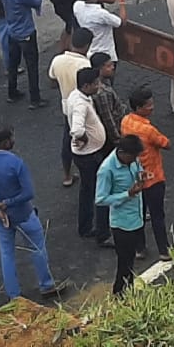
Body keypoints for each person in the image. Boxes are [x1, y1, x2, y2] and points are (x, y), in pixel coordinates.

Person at [0, 127, 67, 301]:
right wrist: (8, 203)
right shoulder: (16, 163)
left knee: (7, 254)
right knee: (37, 248)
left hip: (0, 217)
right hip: (23, 214)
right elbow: (28, 193)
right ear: (6, 142)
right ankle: (46, 284)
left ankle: (14, 295)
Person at [119, 87, 172, 257]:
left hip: (135, 177)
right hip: (153, 178)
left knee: (138, 214)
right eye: (149, 105)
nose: (152, 107)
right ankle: (164, 250)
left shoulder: (125, 121)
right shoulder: (148, 130)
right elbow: (166, 143)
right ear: (139, 108)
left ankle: (139, 248)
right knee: (157, 216)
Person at [95, 136, 151, 295]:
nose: (135, 160)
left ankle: (128, 292)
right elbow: (101, 199)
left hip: (136, 217)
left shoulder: (132, 160)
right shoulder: (107, 169)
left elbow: (138, 168)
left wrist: (141, 175)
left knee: (130, 262)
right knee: (124, 264)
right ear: (123, 152)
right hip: (122, 223)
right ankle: (119, 293)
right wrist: (127, 194)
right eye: (133, 157)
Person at [67, 67, 110, 245]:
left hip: (85, 154)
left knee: (87, 190)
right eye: (95, 83)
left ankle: (85, 227)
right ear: (86, 86)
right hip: (90, 155)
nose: (99, 86)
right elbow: (76, 129)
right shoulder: (80, 104)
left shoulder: (75, 97)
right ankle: (102, 233)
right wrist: (83, 137)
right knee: (100, 192)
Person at [49, 27, 93, 188]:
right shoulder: (85, 64)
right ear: (87, 45)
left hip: (66, 106)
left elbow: (52, 82)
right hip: (84, 106)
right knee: (87, 139)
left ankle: (67, 175)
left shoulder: (57, 60)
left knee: (67, 140)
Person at [0, 0, 46, 108]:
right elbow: (35, 2)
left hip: (12, 31)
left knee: (13, 64)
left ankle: (12, 92)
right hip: (26, 32)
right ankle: (35, 98)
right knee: (32, 66)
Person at [72, 0, 125, 72]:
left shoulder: (77, 6)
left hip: (90, 53)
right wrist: (121, 1)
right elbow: (121, 22)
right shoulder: (101, 14)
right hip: (106, 54)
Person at [90, 53, 126, 143]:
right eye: (109, 66)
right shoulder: (102, 93)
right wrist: (118, 139)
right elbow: (108, 119)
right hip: (110, 136)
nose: (113, 67)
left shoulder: (105, 81)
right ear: (100, 69)